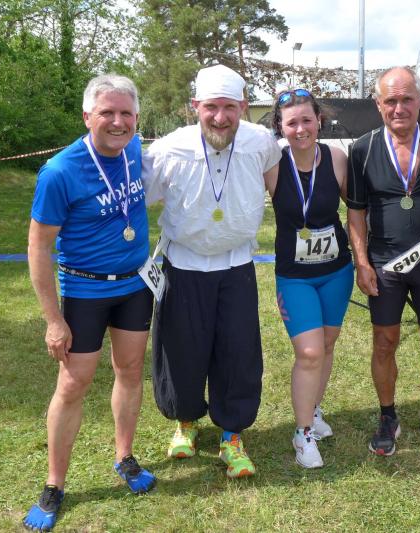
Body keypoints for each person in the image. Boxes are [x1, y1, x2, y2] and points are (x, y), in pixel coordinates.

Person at [23, 74, 157, 532]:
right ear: (87, 116)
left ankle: (125, 456)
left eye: (126, 114)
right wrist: (53, 320)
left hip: (135, 285)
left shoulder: (134, 150)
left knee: (130, 370)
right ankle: (54, 484)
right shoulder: (60, 171)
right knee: (73, 384)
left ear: (136, 118)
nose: (118, 122)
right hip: (85, 291)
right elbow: (38, 247)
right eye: (108, 113)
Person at [143, 64, 281, 478]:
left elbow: (277, 187)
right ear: (195, 106)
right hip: (183, 265)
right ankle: (185, 423)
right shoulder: (169, 148)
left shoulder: (261, 142)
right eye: (211, 108)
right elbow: (139, 197)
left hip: (237, 266)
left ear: (243, 107)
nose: (220, 118)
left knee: (238, 351)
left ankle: (232, 433)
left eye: (229, 108)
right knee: (181, 348)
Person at [346, 66, 420, 458]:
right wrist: (362, 263)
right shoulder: (363, 149)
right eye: (390, 101)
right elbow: (356, 212)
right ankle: (388, 417)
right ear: (378, 104)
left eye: (406, 99)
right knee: (385, 343)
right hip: (385, 265)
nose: (399, 108)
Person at [265, 89, 353, 468]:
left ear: (319, 120)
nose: (300, 129)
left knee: (327, 345)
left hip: (337, 271)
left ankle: (314, 410)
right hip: (295, 276)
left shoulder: (336, 158)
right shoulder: (272, 165)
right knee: (310, 352)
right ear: (280, 127)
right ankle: (302, 435)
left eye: (306, 120)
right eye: (291, 123)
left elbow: (358, 209)